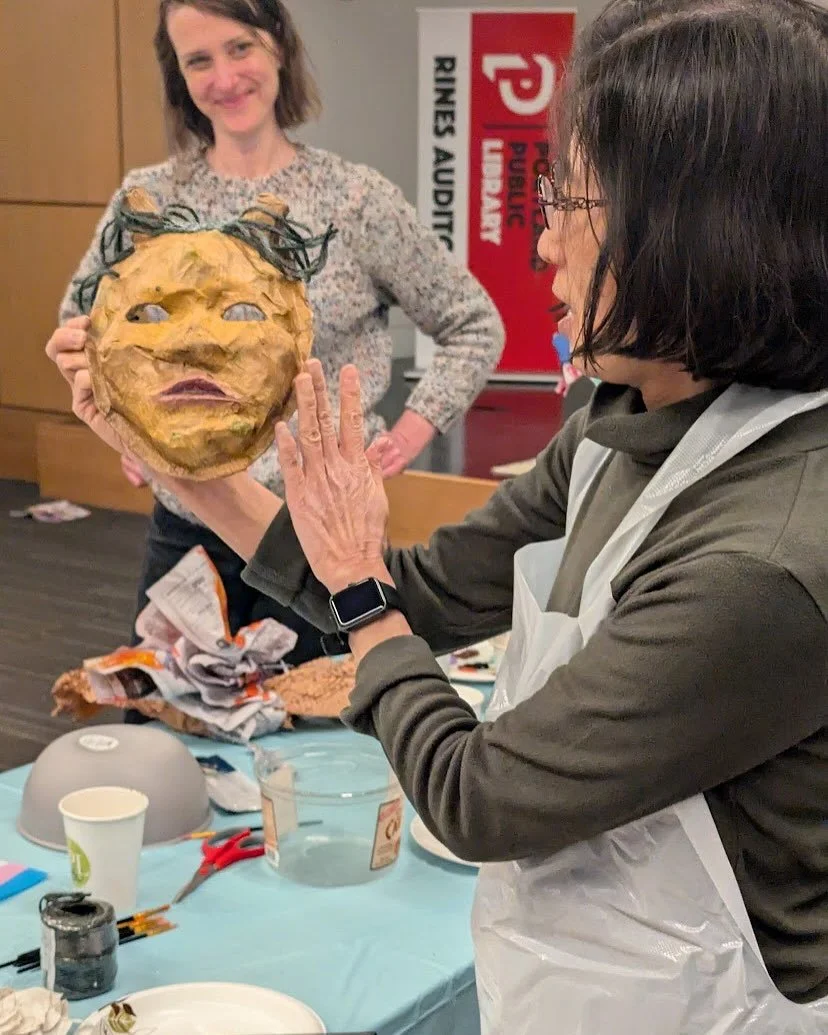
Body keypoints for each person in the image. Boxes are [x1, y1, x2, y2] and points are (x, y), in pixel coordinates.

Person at [48, 0, 827, 1030]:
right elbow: (426, 595)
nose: (540, 237)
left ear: (706, 232)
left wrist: (364, 591)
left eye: (572, 202)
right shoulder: (622, 418)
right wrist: (191, 476)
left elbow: (479, 795)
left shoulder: (765, 558)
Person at [51, 0, 503, 665]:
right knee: (172, 724)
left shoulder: (354, 199)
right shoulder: (145, 201)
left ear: (280, 49)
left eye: (240, 48)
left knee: (322, 742)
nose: (225, 77)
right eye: (198, 60)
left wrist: (409, 432)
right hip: (191, 526)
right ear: (179, 76)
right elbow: (81, 323)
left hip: (320, 538)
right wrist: (123, 415)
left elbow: (472, 322)